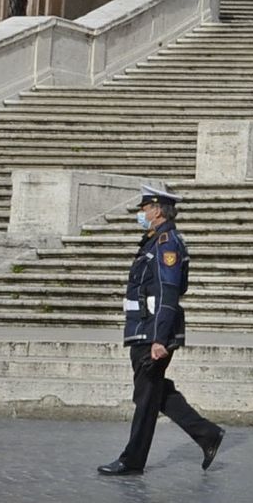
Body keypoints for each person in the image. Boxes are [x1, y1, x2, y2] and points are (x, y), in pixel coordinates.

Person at [99, 185, 224, 476]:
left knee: (145, 396)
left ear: (156, 210)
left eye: (144, 209)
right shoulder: (154, 241)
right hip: (143, 328)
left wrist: (159, 338)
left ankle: (132, 460)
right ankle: (206, 433)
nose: (141, 214)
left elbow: (169, 292)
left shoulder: (167, 243)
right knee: (153, 391)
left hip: (152, 332)